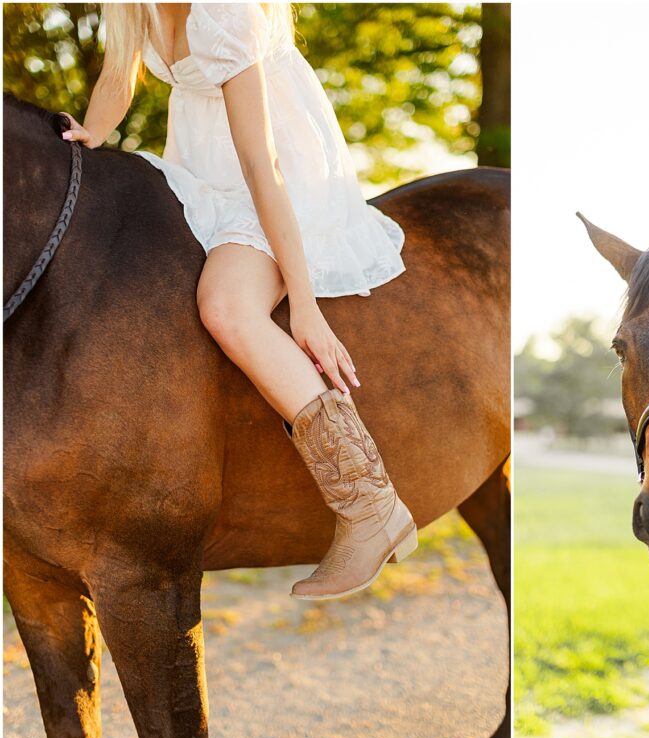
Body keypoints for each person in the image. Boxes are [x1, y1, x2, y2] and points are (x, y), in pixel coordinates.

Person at [59, 2, 417, 598]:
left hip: (276, 176)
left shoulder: (224, 10)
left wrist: (304, 303)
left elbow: (262, 161)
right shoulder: (131, 5)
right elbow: (119, 76)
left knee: (227, 308)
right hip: (198, 167)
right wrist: (91, 135)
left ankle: (369, 501)